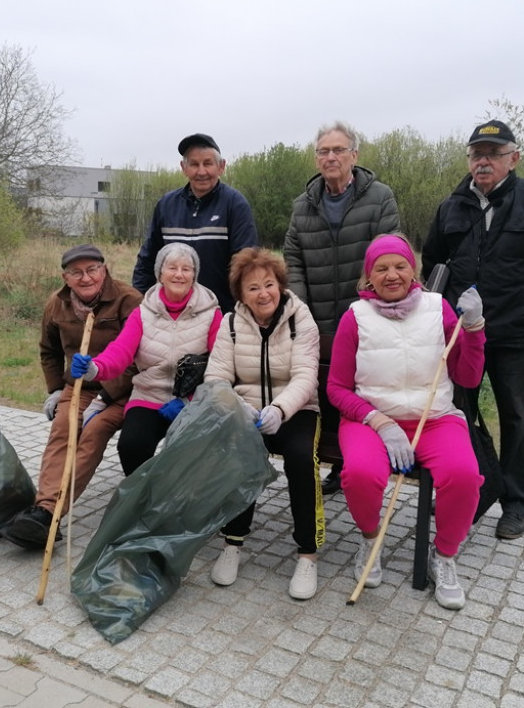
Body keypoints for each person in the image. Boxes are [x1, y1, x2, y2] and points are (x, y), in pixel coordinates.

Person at [421, 120, 524, 541]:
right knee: (457, 415)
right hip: (462, 336)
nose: (483, 161)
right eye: (477, 154)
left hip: (515, 333)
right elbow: (432, 265)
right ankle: (469, 490)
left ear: (514, 158)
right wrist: (437, 322)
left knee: (516, 417)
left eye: (493, 153)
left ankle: (516, 503)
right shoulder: (451, 207)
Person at [327, 234, 486, 609]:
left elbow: (468, 377)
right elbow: (336, 387)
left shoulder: (438, 308)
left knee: (464, 475)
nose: (392, 275)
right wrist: (379, 422)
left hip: (434, 418)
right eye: (381, 268)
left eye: (400, 266)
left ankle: (443, 555)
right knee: (360, 474)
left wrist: (474, 328)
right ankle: (370, 541)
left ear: (413, 271)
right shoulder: (355, 317)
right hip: (371, 420)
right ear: (368, 277)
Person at [283, 121, 400, 496]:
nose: (330, 157)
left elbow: (389, 251)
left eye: (338, 150)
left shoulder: (379, 197)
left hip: (365, 315)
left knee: (361, 390)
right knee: (324, 390)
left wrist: (368, 304)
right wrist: (300, 306)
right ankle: (332, 463)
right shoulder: (303, 205)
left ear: (354, 155)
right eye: (323, 151)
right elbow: (293, 258)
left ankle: (359, 464)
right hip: (316, 316)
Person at [0, 244, 142, 549]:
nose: (86, 278)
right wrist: (55, 389)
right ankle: (44, 513)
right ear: (65, 277)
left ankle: (50, 512)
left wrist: (106, 396)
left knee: (93, 432)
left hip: (123, 391)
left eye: (92, 270)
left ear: (104, 269)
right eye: (76, 272)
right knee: (62, 429)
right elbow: (48, 350)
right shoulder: (57, 304)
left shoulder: (129, 301)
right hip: (79, 388)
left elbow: (140, 357)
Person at [203, 247, 322, 600]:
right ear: (240, 294)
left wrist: (280, 410)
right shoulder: (230, 324)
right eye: (252, 287)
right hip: (248, 411)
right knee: (239, 454)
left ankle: (308, 553)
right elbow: (216, 376)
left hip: (297, 410)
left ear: (280, 284)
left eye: (269, 284)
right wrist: (237, 405)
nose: (263, 293)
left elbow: (306, 376)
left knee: (301, 458)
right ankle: (233, 542)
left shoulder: (301, 318)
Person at [71, 243, 222, 475]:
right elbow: (120, 351)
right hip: (149, 395)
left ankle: (184, 494)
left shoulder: (211, 313)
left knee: (193, 454)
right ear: (160, 273)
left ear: (194, 275)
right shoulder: (143, 312)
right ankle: (143, 493)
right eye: (172, 268)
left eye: (186, 269)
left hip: (194, 400)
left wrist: (191, 399)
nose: (179, 274)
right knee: (132, 446)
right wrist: (94, 368)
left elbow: (220, 364)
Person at [133, 133, 259, 312]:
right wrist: (140, 305)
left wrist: (242, 313)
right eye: (194, 164)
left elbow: (247, 264)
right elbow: (147, 261)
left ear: (221, 166)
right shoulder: (166, 205)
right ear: (183, 168)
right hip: (171, 315)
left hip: (221, 313)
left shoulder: (235, 204)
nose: (201, 172)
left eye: (207, 163)